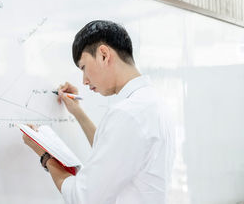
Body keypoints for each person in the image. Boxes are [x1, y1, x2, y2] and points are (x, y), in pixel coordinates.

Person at [22, 20, 175, 204]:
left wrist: (46, 157)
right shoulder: (152, 103)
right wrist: (77, 112)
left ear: (103, 55)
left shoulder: (128, 113)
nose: (84, 81)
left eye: (84, 67)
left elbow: (83, 197)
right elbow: (115, 151)